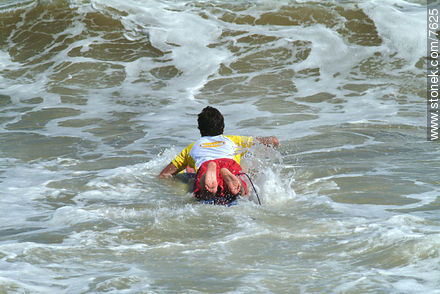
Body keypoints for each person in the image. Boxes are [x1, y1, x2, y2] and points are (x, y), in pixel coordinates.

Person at [159, 106, 279, 205]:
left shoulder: (192, 147)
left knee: (204, 191)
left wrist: (182, 183)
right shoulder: (233, 140)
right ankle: (233, 179)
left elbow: (165, 174)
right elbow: (272, 141)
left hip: (206, 165)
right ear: (222, 127)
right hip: (228, 164)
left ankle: (207, 176)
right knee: (240, 189)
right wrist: (272, 141)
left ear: (200, 129)